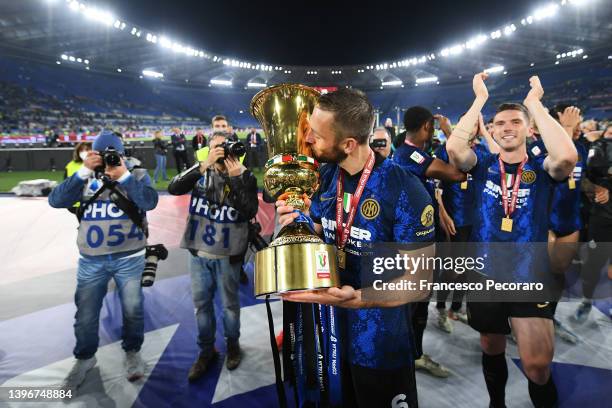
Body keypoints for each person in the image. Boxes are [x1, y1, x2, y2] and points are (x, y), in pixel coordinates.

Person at [277, 88, 435, 407]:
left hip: (380, 345)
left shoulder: (405, 189)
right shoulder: (325, 175)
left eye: (317, 135)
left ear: (348, 144)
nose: (307, 139)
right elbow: (321, 234)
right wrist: (295, 226)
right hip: (330, 338)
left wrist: (360, 300)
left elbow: (420, 283)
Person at [446, 73, 577, 408]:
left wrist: (535, 104)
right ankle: (497, 403)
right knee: (491, 344)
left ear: (529, 129)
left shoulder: (542, 169)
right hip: (485, 275)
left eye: (515, 122)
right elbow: (455, 148)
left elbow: (565, 158)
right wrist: (479, 100)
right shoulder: (483, 166)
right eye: (499, 123)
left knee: (537, 365)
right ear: (491, 130)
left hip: (530, 277)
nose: (506, 127)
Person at [48, 130, 159, 392]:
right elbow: (56, 200)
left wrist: (125, 176)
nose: (109, 158)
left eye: (114, 153)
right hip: (91, 259)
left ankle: (132, 352)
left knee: (133, 309)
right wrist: (83, 172)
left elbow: (149, 201)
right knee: (85, 314)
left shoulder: (136, 173)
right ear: (92, 153)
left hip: (130, 256)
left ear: (122, 153)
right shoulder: (85, 175)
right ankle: (85, 358)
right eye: (102, 153)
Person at [168, 131, 258, 380]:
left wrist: (237, 179)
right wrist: (202, 165)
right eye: (217, 147)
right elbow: (174, 188)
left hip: (228, 255)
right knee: (202, 307)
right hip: (198, 253)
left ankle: (232, 346)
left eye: (226, 146)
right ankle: (206, 351)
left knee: (230, 307)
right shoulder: (199, 172)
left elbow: (249, 210)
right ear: (208, 149)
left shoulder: (244, 176)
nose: (222, 151)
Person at [393, 107, 465, 376]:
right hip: (412, 243)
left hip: (418, 239)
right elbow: (458, 174)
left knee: (417, 303)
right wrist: (450, 132)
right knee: (412, 305)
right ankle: (409, 357)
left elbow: (430, 189)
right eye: (432, 127)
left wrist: (441, 211)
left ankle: (413, 354)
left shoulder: (415, 153)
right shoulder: (409, 154)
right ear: (426, 126)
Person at [433, 113, 495, 327]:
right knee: (452, 269)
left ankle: (455, 309)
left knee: (468, 270)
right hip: (455, 221)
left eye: (475, 126)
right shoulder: (444, 151)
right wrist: (443, 214)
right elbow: (435, 189)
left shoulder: (484, 152)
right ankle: (441, 308)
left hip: (477, 222)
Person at [574, 124, 612, 321]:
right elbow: (580, 179)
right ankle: (587, 300)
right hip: (602, 217)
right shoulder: (593, 149)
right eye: (610, 133)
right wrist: (595, 187)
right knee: (595, 262)